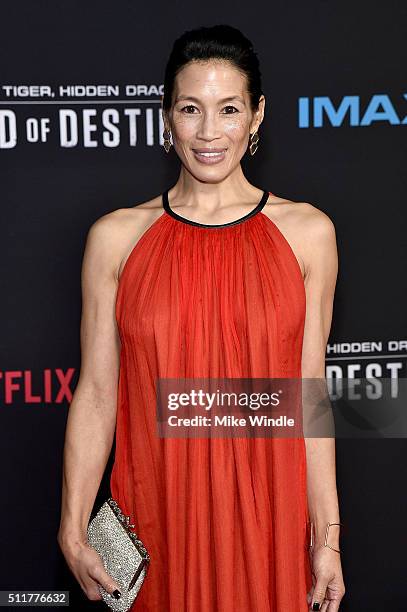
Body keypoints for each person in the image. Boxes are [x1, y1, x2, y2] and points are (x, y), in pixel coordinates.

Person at [57, 24, 346, 612]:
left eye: (229, 109)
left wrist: (328, 539)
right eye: (190, 108)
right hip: (157, 512)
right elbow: (95, 393)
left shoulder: (308, 234)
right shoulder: (115, 239)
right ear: (167, 116)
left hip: (269, 518)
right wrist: (71, 523)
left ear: (258, 115)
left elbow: (309, 396)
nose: (209, 132)